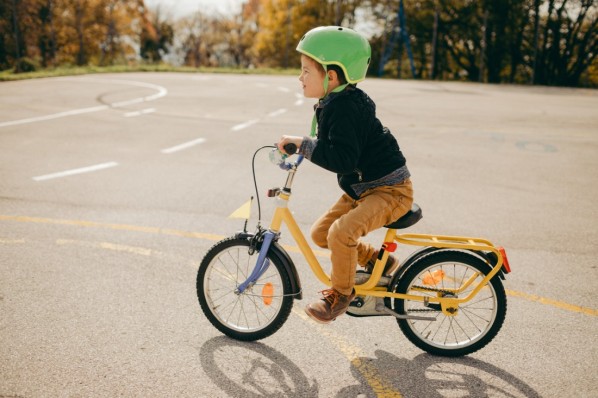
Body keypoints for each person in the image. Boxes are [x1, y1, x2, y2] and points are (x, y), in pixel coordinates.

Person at [278, 26, 414, 324]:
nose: (300, 77)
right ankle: (378, 260)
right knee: (320, 233)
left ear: (332, 76)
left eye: (305, 71)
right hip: (363, 188)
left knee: (341, 233)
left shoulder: (345, 108)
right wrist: (304, 145)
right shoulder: (337, 102)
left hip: (390, 191)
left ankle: (340, 295)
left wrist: (304, 144)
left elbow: (342, 158)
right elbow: (332, 147)